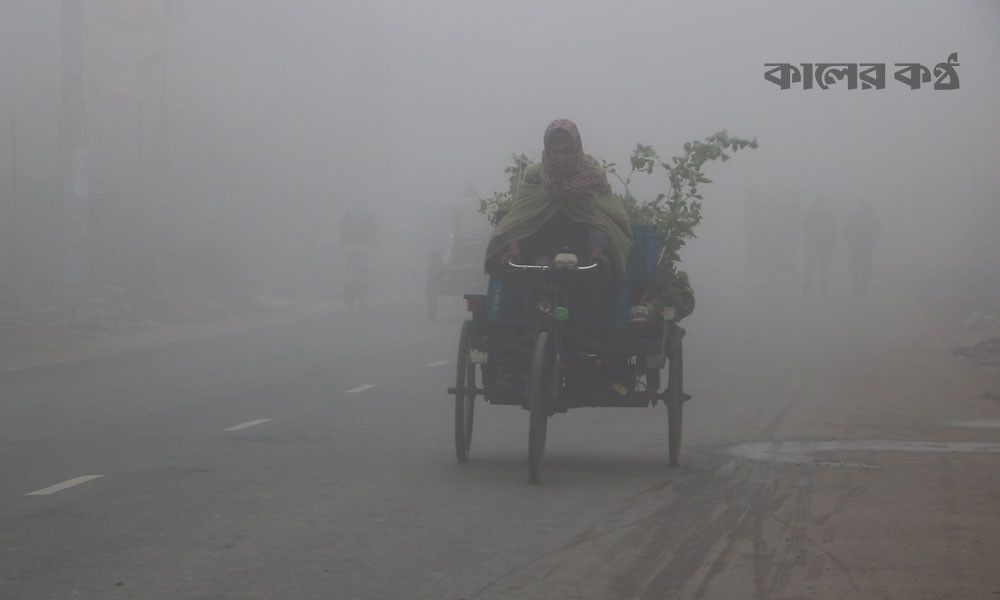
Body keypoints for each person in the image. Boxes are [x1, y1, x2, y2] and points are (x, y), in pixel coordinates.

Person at [484, 119, 633, 340]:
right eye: (555, 141)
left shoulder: (591, 173)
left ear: (574, 142)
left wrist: (598, 251)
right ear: (547, 143)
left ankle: (583, 342)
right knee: (534, 284)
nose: (560, 146)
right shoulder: (535, 175)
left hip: (582, 250)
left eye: (564, 140)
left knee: (588, 285)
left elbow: (599, 220)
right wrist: (514, 247)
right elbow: (522, 221)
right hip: (543, 250)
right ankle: (531, 342)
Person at [801, 197, 838, 295]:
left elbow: (804, 228)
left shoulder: (816, 215)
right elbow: (804, 227)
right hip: (817, 243)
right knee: (816, 265)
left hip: (820, 244)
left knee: (820, 265)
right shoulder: (825, 215)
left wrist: (830, 239)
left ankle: (818, 285)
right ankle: (812, 284)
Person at [843, 199, 881, 294]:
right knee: (854, 268)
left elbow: (877, 232)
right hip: (856, 246)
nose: (862, 209)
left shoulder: (872, 219)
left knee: (866, 269)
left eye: (864, 207)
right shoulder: (854, 218)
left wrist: (872, 242)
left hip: (866, 247)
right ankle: (856, 288)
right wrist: (851, 241)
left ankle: (864, 289)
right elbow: (846, 230)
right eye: (861, 207)